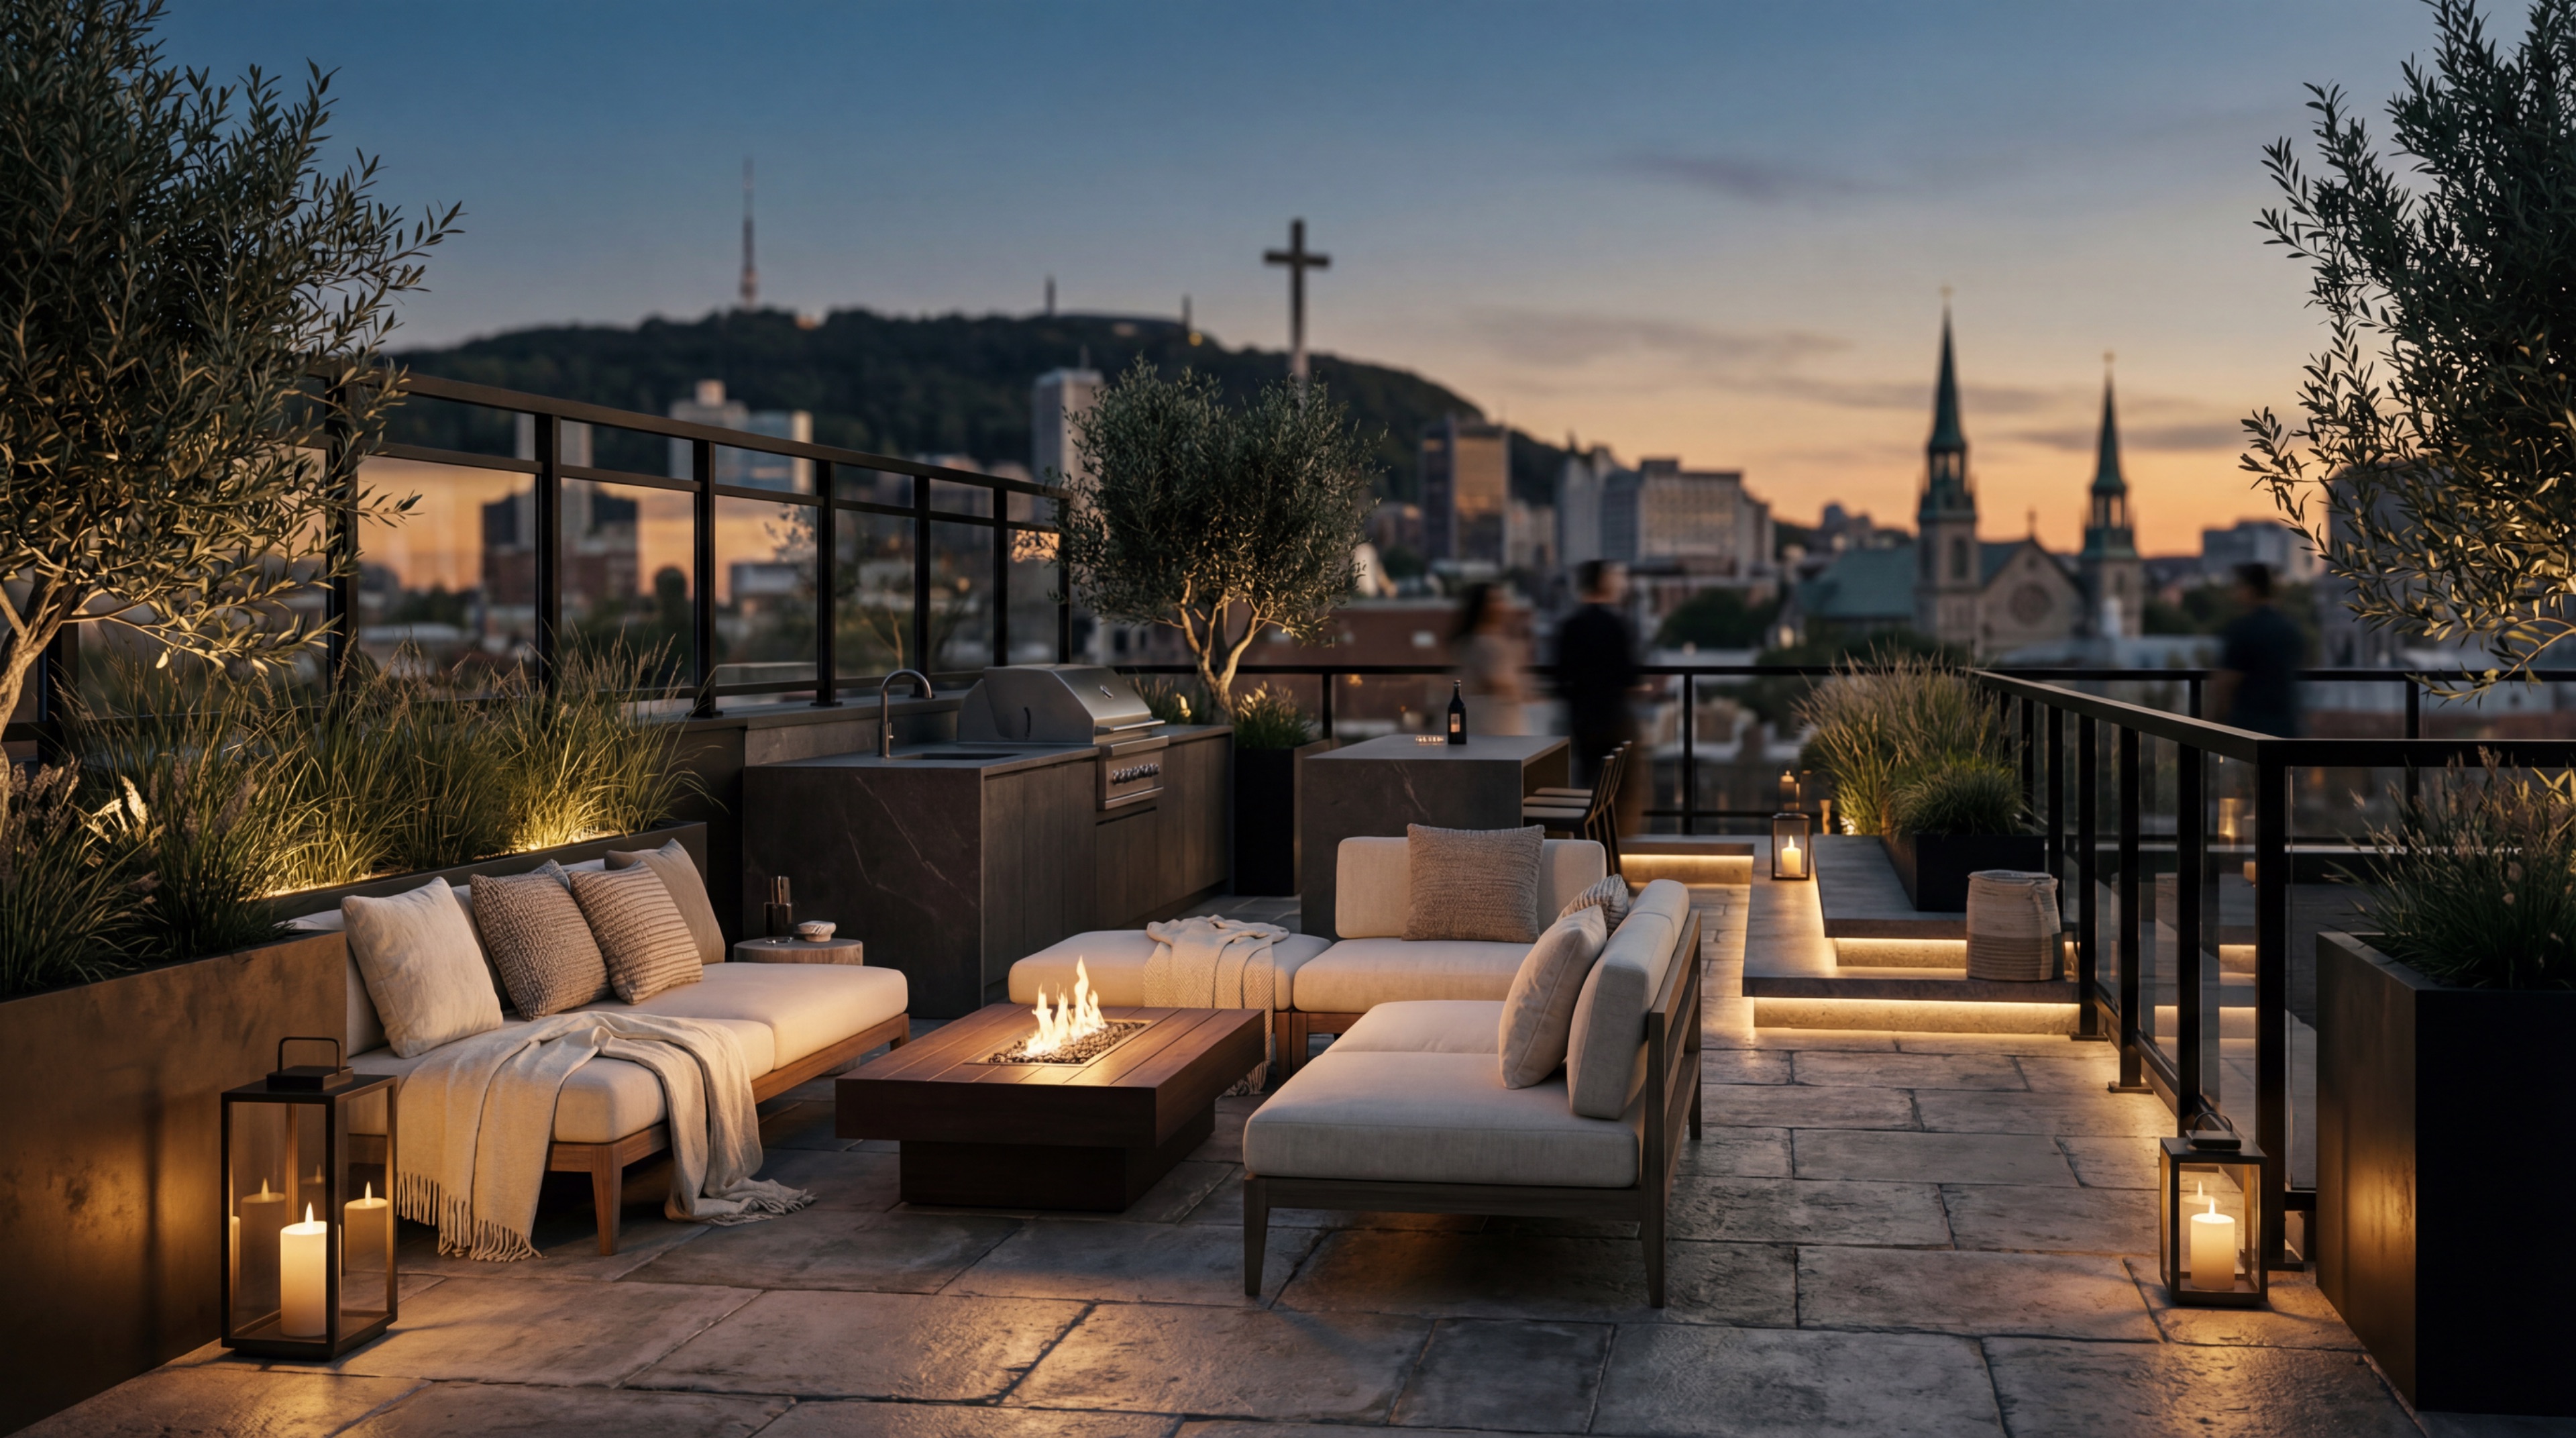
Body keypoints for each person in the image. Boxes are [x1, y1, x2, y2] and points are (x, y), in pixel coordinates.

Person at [1552, 560, 1645, 835]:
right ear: (1604, 584)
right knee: (1623, 789)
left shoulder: (1571, 626)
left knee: (1588, 791)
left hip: (1583, 722)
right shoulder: (1616, 625)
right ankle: (1616, 850)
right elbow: (1629, 676)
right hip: (1614, 719)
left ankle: (1590, 850)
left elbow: (1561, 678)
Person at [2209, 562, 2304, 736]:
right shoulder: (2290, 628)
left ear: (2249, 589)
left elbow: (2227, 683)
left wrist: (2215, 721)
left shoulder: (2242, 630)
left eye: (2238, 586)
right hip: (2285, 725)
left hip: (2248, 727)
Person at [1450, 582, 1530, 736]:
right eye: (1494, 601)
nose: (1500, 606)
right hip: (1491, 721)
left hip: (1499, 719)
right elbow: (1493, 681)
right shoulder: (1479, 643)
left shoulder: (1490, 639)